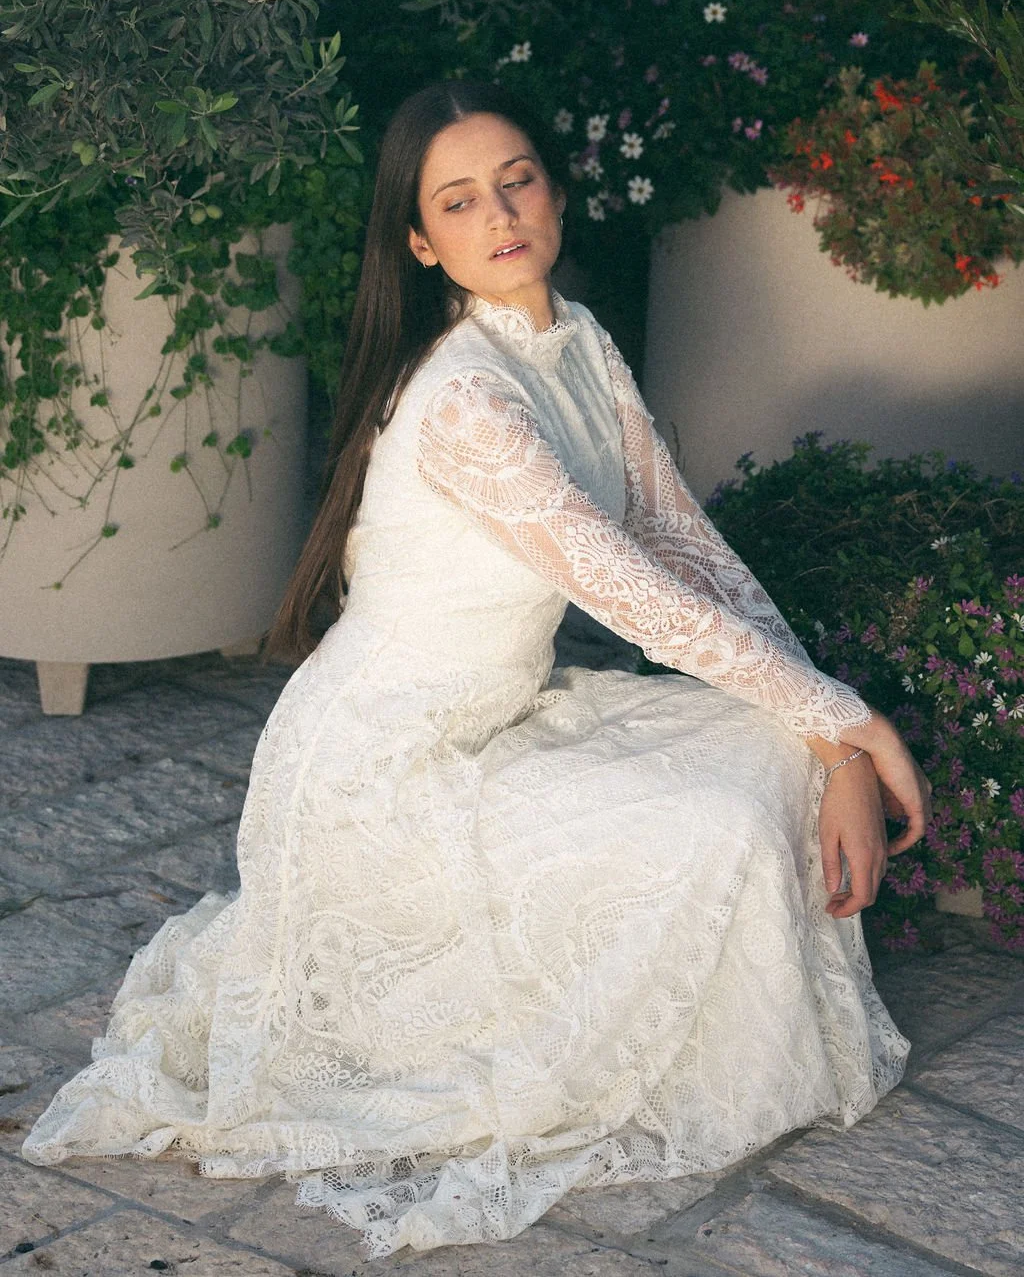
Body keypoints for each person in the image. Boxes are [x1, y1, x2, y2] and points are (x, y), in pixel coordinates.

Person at [21, 80, 932, 1259]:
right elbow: (632, 592)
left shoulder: (578, 340)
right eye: (458, 201)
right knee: (718, 823)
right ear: (421, 239)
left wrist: (830, 734)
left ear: (553, 190)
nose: (498, 213)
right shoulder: (464, 396)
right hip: (382, 775)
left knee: (768, 755)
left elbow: (678, 541)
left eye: (515, 180)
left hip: (505, 717)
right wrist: (851, 721)